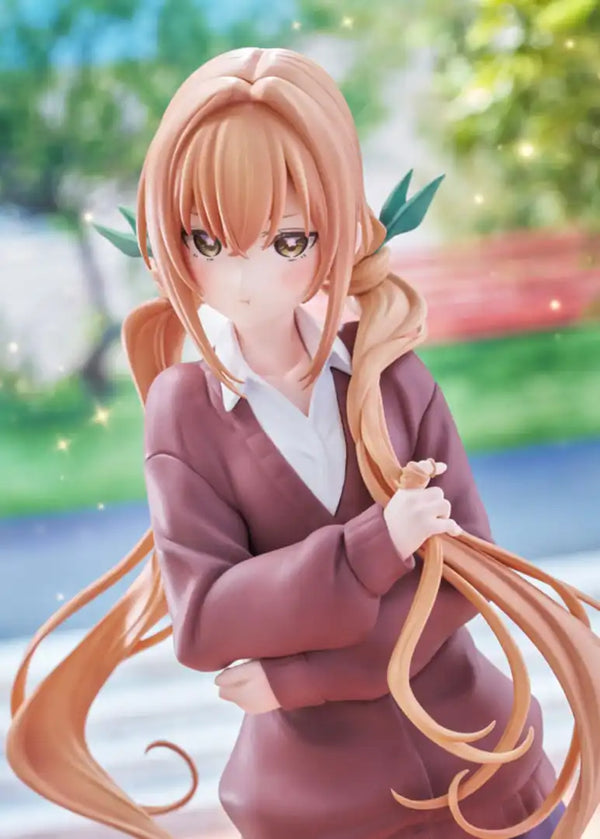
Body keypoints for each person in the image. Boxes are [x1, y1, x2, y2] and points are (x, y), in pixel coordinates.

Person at [7, 46, 600, 839]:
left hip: (481, 759)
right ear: (168, 243)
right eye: (208, 241)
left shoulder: (389, 374)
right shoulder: (186, 410)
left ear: (337, 229)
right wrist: (377, 546)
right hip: (320, 799)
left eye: (287, 241)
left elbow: (464, 579)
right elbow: (208, 618)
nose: (245, 276)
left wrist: (304, 675)